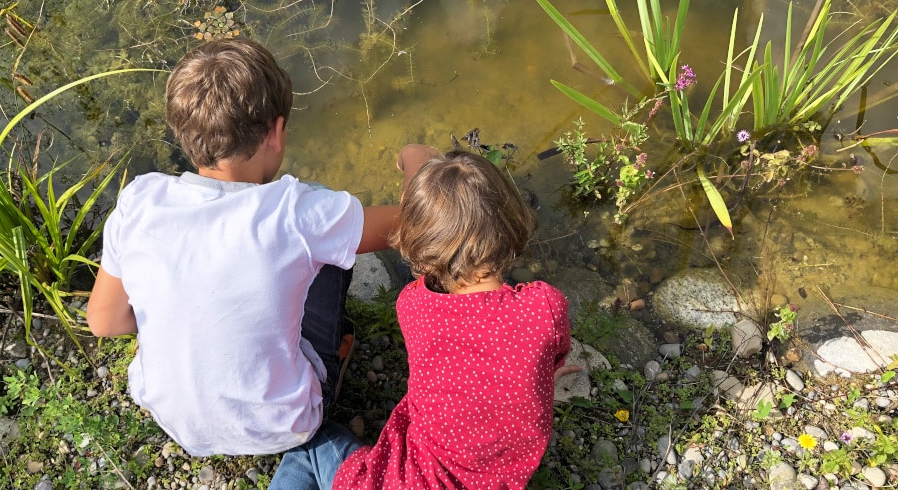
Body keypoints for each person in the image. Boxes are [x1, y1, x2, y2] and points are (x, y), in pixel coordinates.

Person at [85, 37, 435, 484]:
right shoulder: (296, 212)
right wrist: (419, 161)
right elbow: (415, 224)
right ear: (275, 131)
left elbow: (106, 322)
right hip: (286, 422)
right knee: (331, 218)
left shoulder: (140, 201)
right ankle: (330, 363)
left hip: (180, 425)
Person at [332, 149, 575, 489]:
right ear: (511, 222)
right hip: (501, 477)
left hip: (414, 478)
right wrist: (542, 370)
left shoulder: (413, 304)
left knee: (316, 447)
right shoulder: (543, 307)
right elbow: (557, 350)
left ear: (418, 245)